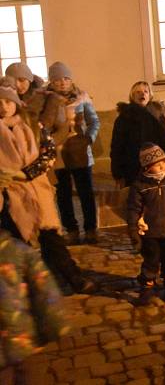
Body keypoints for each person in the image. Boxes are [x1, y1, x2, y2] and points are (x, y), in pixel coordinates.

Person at [0, 78, 96, 294]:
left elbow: (49, 152)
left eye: (8, 101)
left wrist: (22, 173)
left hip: (36, 189)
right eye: (0, 102)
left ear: (15, 102)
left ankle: (73, 278)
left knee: (50, 237)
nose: (4, 106)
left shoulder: (33, 126)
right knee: (16, 241)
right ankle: (25, 287)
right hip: (8, 195)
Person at [40, 62, 101, 245]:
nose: (62, 83)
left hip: (81, 152)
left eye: (66, 78)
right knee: (64, 194)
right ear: (51, 81)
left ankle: (91, 228)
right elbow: (43, 125)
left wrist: (88, 139)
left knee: (86, 192)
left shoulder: (82, 98)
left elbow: (94, 121)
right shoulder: (46, 100)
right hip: (58, 154)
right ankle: (71, 229)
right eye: (58, 79)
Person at [0, 230, 67, 385]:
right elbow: (46, 291)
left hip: (19, 338)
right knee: (28, 375)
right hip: (22, 338)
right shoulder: (19, 250)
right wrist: (56, 325)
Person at [127, 143, 165, 305]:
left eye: (162, 164)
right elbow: (133, 209)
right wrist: (133, 231)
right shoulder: (140, 186)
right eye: (155, 166)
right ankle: (147, 288)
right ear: (146, 168)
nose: (160, 169)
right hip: (150, 232)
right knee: (151, 260)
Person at [111, 81, 165, 188]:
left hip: (158, 167)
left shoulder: (158, 115)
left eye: (145, 91)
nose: (142, 94)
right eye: (138, 92)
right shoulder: (124, 118)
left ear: (150, 95)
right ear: (132, 96)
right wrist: (118, 173)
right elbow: (117, 146)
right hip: (133, 169)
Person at [5, 62, 46, 138]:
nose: (17, 85)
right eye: (13, 81)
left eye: (22, 80)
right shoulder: (4, 97)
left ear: (29, 79)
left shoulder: (42, 96)